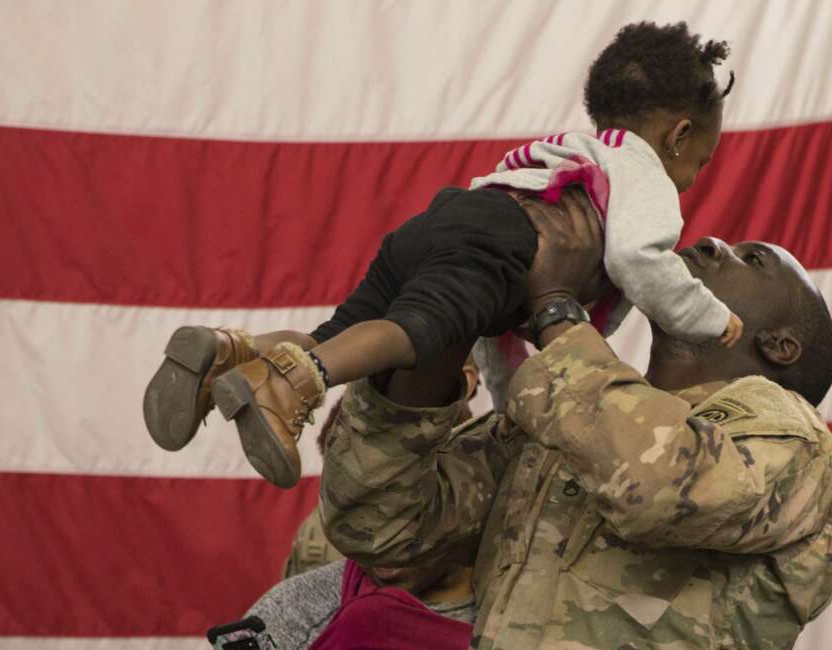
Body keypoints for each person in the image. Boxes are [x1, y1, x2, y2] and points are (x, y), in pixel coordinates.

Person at [142, 21, 743, 489]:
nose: (692, 179)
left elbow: (494, 334)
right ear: (679, 135)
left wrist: (512, 408)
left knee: (344, 333)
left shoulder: (576, 151)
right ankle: (293, 385)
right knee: (414, 332)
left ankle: (232, 355)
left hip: (446, 219)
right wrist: (711, 317)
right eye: (702, 162)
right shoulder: (643, 171)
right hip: (502, 238)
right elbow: (641, 260)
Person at [317, 190, 832, 649]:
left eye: (753, 259)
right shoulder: (563, 427)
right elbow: (383, 529)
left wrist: (554, 307)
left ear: (780, 345)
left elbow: (660, 486)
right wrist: (454, 309)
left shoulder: (798, 440)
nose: (713, 243)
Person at [229, 359, 484, 649]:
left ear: (465, 492)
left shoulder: (526, 608)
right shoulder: (290, 617)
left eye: (397, 508)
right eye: (355, 509)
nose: (375, 535)